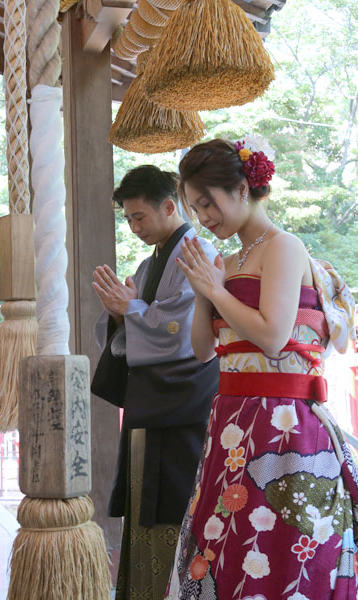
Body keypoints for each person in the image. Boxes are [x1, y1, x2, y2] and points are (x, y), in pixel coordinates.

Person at [167, 137, 358, 600]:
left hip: (283, 419)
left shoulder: (283, 247)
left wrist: (216, 291)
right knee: (230, 542)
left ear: (242, 188)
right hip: (233, 420)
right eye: (196, 208)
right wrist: (204, 290)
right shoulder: (227, 260)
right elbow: (202, 350)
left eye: (207, 203)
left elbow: (273, 336)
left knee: (287, 545)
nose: (203, 218)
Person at [92, 165, 219, 600]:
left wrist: (130, 310)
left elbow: (181, 333)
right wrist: (119, 312)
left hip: (185, 402)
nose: (134, 227)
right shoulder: (151, 264)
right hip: (154, 401)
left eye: (140, 217)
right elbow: (140, 319)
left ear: (169, 206)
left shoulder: (197, 253)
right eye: (127, 219)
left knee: (178, 502)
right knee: (143, 505)